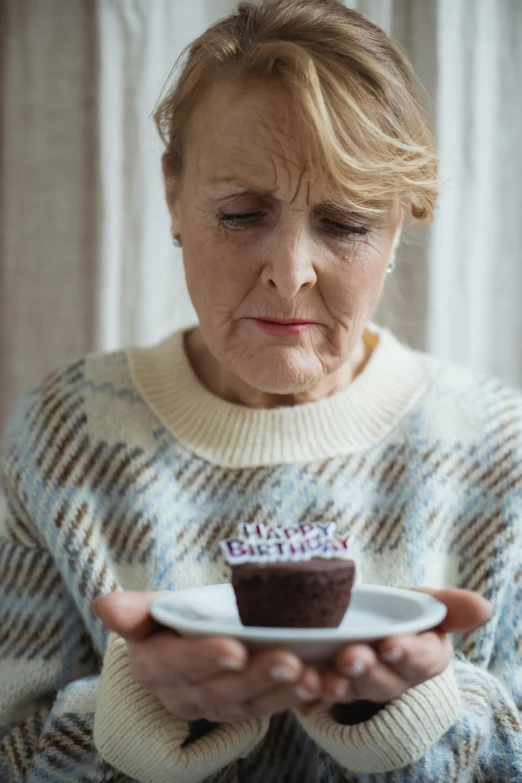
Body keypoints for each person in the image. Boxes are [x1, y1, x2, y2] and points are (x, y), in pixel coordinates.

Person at [0, 0, 521, 780]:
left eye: (345, 222)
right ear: (175, 194)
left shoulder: (494, 448)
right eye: (242, 213)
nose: (290, 271)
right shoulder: (65, 436)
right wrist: (134, 721)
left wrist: (417, 712)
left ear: (400, 225)